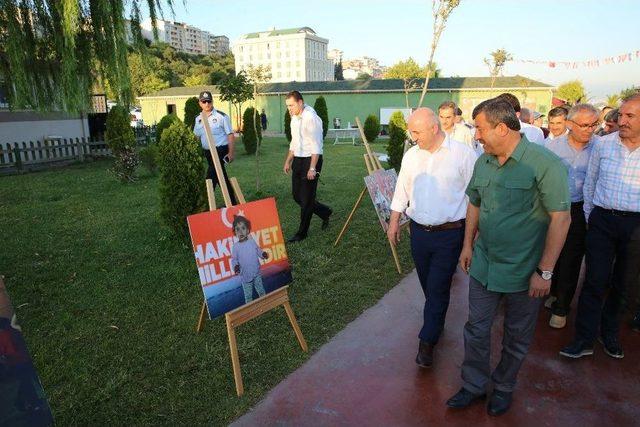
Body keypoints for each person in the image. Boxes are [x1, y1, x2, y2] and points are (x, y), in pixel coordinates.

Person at [447, 98, 570, 416]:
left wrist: (545, 272)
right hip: (485, 264)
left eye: (480, 129)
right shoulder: (483, 161)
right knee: (476, 327)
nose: (476, 136)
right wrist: (467, 245)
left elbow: (561, 219)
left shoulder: (545, 164)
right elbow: (474, 202)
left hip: (525, 271)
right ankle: (474, 385)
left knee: (516, 334)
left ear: (502, 128)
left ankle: (503, 387)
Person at [388, 108, 477, 369]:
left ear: (433, 128)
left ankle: (427, 342)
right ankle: (435, 319)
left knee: (438, 287)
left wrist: (470, 239)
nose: (412, 136)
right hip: (419, 233)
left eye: (416, 132)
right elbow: (401, 191)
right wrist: (394, 223)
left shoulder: (462, 154)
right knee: (429, 286)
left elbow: (475, 198)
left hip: (450, 234)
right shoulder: (411, 156)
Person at [560, 94, 640, 360]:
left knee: (624, 284)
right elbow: (591, 183)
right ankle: (583, 338)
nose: (622, 120)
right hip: (602, 220)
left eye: (630, 116)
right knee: (595, 280)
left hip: (635, 227)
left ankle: (610, 334)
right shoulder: (603, 146)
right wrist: (591, 217)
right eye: (621, 115)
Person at [544, 104, 599, 329]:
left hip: (580, 209)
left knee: (572, 257)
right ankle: (555, 292)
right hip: (552, 209)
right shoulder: (551, 148)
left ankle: (562, 307)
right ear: (569, 124)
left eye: (594, 124)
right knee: (551, 252)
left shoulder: (600, 148)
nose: (589, 130)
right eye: (584, 125)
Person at [282, 90, 332, 242]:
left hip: (311, 160)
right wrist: (288, 160)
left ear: (300, 102)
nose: (289, 109)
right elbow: (295, 142)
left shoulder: (311, 118)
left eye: (291, 105)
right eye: (287, 106)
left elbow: (317, 144)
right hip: (298, 159)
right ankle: (325, 212)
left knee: (306, 199)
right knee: (297, 196)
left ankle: (301, 233)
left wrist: (312, 168)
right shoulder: (294, 118)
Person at [193, 90, 237, 204]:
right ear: (200, 103)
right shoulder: (198, 119)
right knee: (220, 176)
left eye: (208, 101)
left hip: (220, 150)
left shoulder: (221, 117)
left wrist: (231, 153)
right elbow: (196, 137)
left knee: (210, 177)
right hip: (207, 152)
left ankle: (205, 203)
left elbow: (230, 135)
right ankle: (232, 203)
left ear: (212, 101)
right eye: (204, 102)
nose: (206, 104)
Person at [231, 215, 268, 304]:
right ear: (235, 232)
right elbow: (234, 259)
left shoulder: (251, 241)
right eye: (237, 229)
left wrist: (263, 254)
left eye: (243, 228)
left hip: (256, 272)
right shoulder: (235, 247)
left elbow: (258, 250)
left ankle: (266, 303)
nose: (240, 232)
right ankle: (250, 310)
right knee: (248, 296)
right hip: (245, 275)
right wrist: (235, 266)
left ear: (248, 230)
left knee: (261, 290)